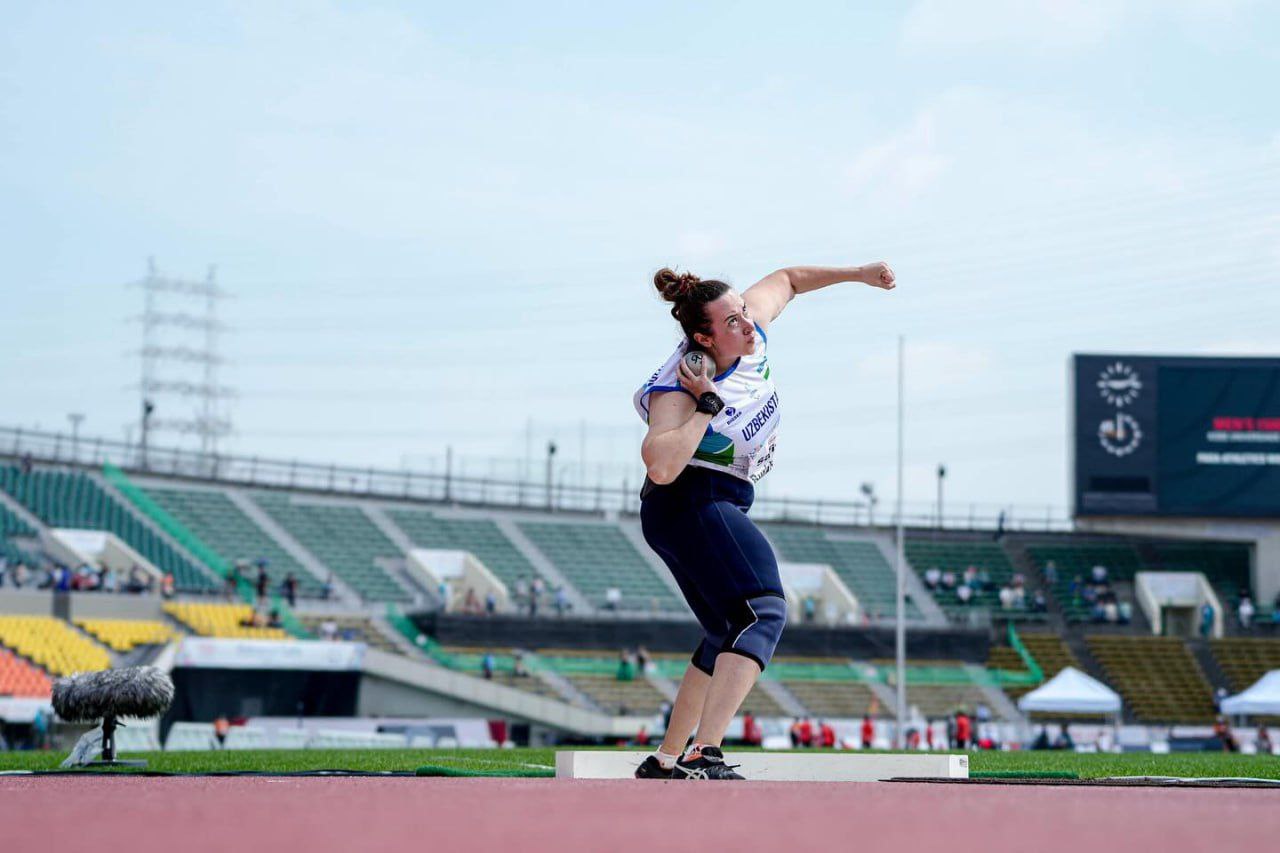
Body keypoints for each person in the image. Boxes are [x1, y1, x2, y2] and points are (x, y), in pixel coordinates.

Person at [631, 262, 895, 782]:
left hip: (717, 500)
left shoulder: (750, 332)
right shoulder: (681, 385)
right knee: (764, 611)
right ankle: (703, 753)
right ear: (704, 338)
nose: (747, 325)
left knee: (722, 631)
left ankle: (665, 758)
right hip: (690, 499)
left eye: (745, 312)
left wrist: (860, 274)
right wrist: (706, 404)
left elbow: (790, 280)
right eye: (732, 322)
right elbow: (660, 465)